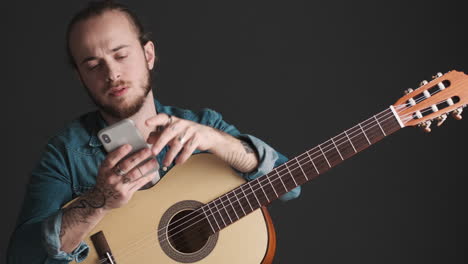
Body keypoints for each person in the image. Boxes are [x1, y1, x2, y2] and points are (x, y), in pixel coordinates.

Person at [7, 1, 301, 263]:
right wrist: (99, 201)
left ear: (148, 54)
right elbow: (22, 257)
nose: (112, 74)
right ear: (80, 77)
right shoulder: (66, 152)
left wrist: (219, 142)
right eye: (94, 65)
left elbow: (290, 185)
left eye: (121, 56)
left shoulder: (204, 124)